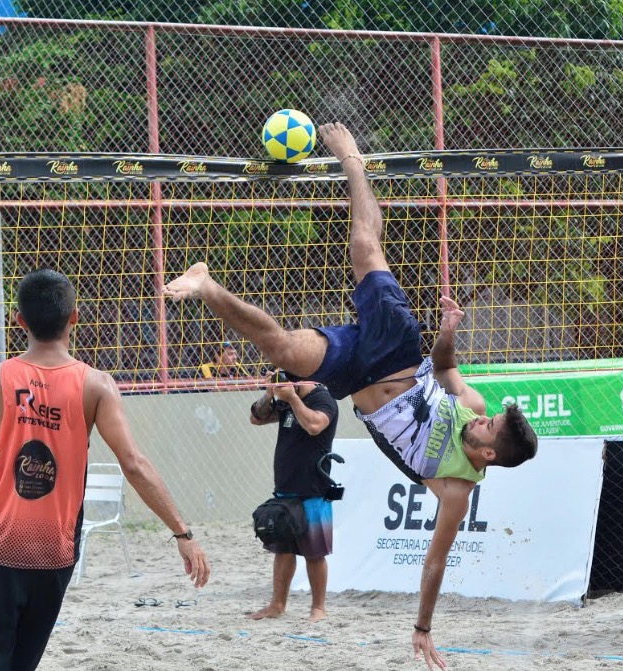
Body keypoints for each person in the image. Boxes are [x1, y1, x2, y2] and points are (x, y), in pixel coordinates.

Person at [163, 122, 538, 670]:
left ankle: (207, 285)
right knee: (365, 246)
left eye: (489, 431)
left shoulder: (456, 490)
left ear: (486, 455)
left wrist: (422, 629)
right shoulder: (475, 408)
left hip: (360, 383)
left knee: (283, 350)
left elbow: (434, 565)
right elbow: (448, 368)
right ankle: (352, 159)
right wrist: (450, 329)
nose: (484, 420)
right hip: (399, 351)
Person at [0, 268, 211, 671]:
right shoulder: (97, 385)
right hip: (54, 554)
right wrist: (182, 533)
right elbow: (135, 465)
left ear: (20, 322)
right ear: (74, 317)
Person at [248, 369, 339, 622]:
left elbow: (314, 426)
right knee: (283, 549)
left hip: (313, 489)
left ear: (299, 382)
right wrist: (269, 395)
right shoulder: (287, 400)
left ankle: (318, 608)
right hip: (285, 489)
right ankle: (277, 605)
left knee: (314, 553)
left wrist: (293, 399)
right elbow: (256, 418)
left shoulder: (322, 400)